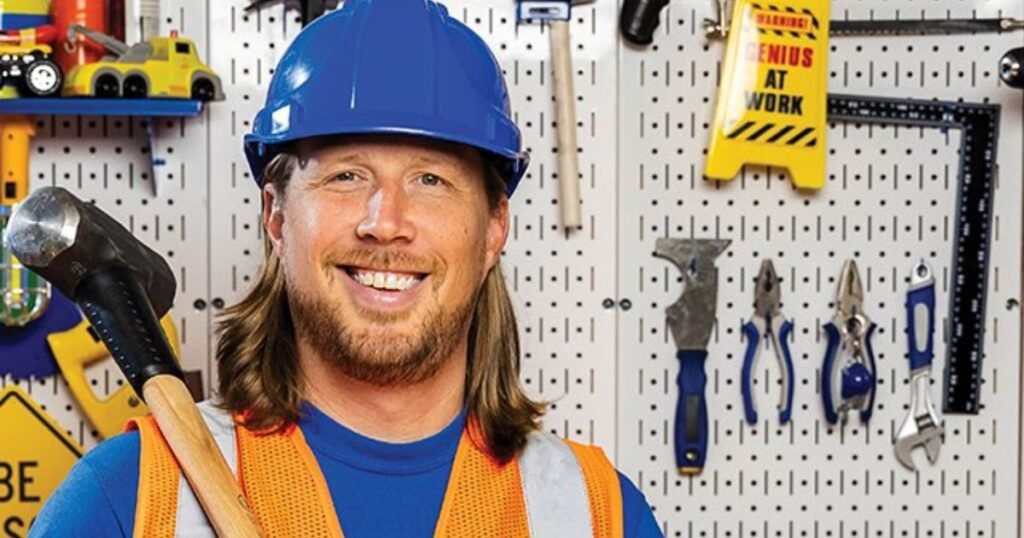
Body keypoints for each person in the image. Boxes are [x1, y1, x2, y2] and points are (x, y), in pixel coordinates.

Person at [32, 0, 662, 536]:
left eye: (431, 179)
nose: (385, 222)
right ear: (276, 216)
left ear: (494, 227)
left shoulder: (597, 514)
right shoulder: (130, 503)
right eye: (346, 175)